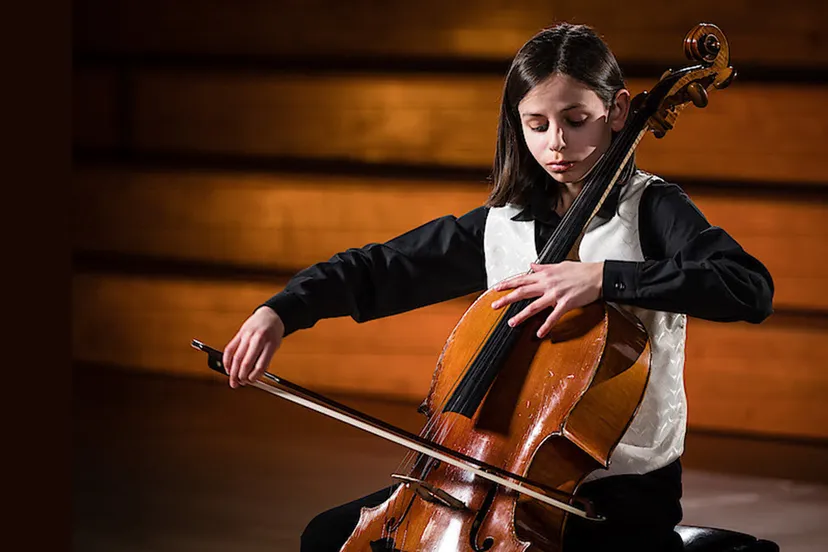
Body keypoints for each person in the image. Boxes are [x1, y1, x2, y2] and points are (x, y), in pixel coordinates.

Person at [221, 23, 773, 552]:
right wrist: (282, 311)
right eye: (536, 124)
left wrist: (605, 278)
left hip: (617, 492)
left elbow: (747, 287)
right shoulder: (500, 224)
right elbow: (379, 268)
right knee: (327, 537)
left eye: (576, 119)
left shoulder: (651, 210)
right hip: (491, 473)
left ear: (618, 112)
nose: (557, 143)